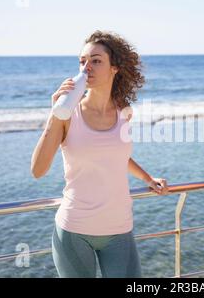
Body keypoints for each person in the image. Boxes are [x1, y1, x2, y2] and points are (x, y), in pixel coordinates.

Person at [31, 30, 169, 278]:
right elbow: (38, 170)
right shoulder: (67, 114)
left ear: (114, 67)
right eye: (82, 61)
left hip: (119, 228)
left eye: (96, 61)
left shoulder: (124, 113)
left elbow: (117, 157)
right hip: (74, 231)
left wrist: (148, 178)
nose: (87, 68)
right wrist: (54, 115)